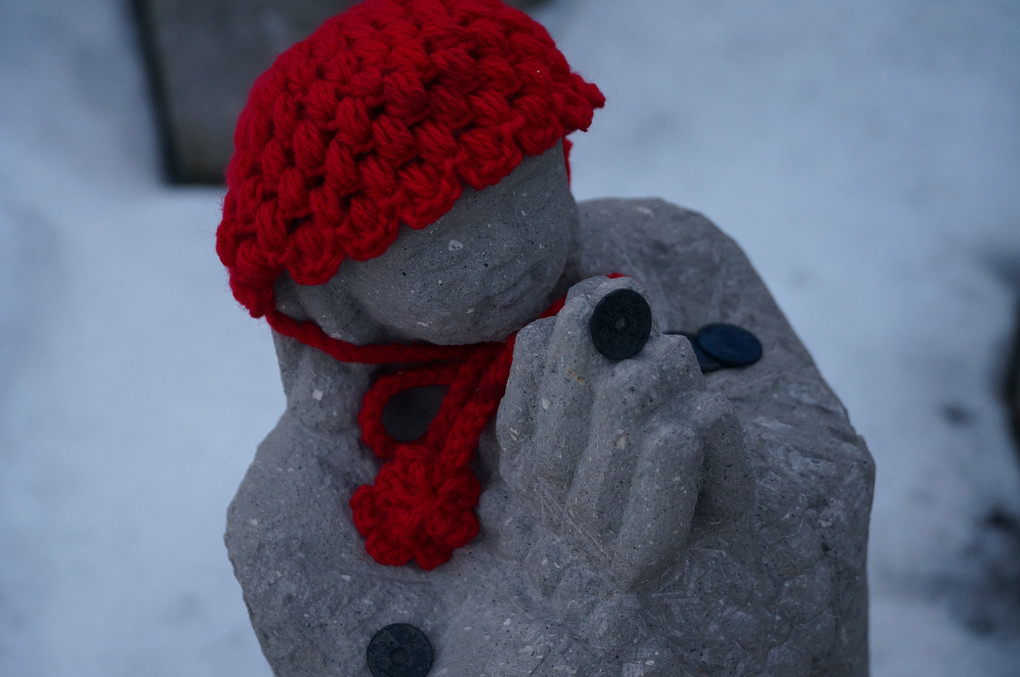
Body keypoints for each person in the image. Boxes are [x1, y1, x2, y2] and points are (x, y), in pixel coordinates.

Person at [218, 1, 874, 674]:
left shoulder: (674, 250)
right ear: (335, 295)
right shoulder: (294, 508)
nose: (505, 252)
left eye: (527, 196)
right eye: (443, 251)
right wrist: (560, 576)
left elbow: (834, 466)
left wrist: (734, 515)